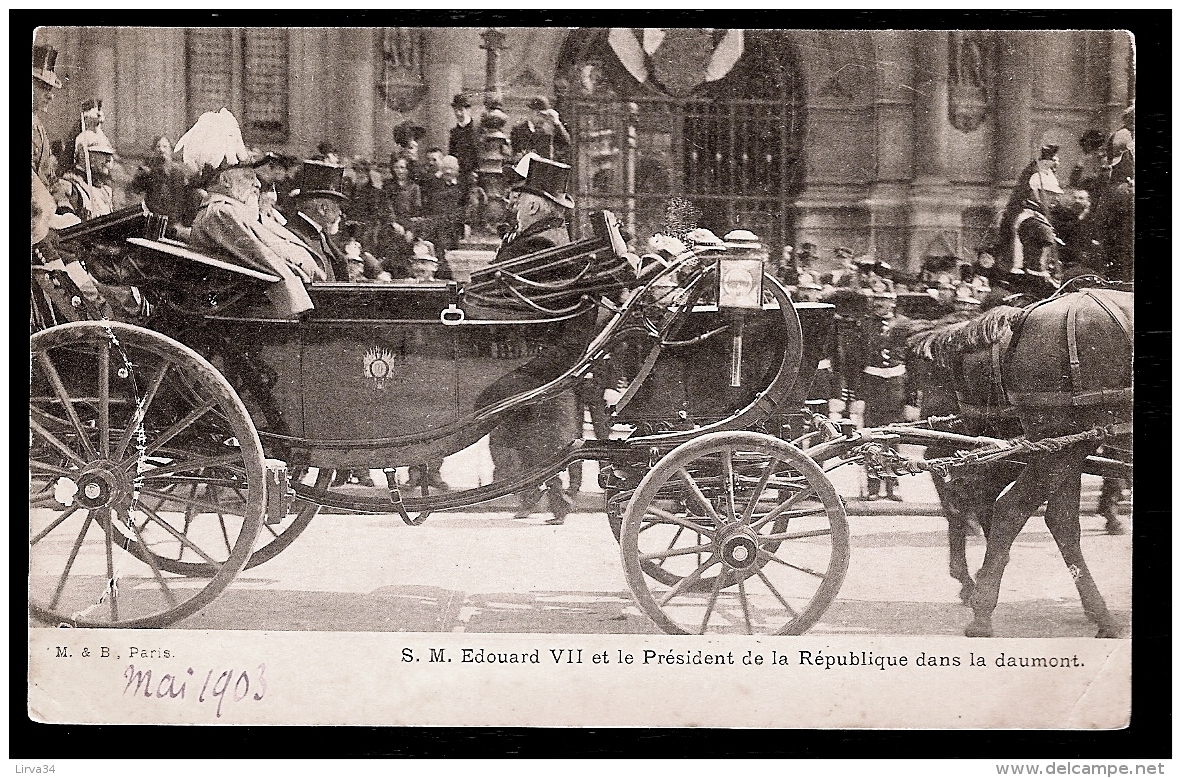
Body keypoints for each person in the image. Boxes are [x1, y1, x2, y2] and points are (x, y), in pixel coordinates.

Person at [476, 157, 582, 524]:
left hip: (529, 351)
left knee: (523, 424)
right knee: (532, 428)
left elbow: (499, 291)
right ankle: (541, 493)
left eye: (518, 199)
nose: (514, 204)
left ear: (534, 205)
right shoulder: (544, 237)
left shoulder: (535, 243)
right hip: (537, 350)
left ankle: (544, 493)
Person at [189, 166, 321, 319]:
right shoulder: (220, 212)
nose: (258, 184)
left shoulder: (237, 211)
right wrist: (303, 303)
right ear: (225, 180)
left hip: (273, 299)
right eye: (248, 177)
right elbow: (263, 258)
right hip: (250, 308)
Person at [854, 285, 909, 500]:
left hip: (896, 385)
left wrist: (912, 399)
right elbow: (856, 362)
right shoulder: (864, 324)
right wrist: (857, 397)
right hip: (872, 385)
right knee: (872, 439)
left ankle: (893, 486)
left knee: (895, 437)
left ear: (892, 301)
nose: (880, 303)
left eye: (884, 299)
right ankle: (874, 487)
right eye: (876, 298)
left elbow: (912, 363)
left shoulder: (903, 325)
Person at [284, 160, 351, 281]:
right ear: (322, 208)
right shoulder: (295, 236)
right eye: (337, 206)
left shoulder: (319, 234)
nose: (340, 213)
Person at [128, 135, 189, 227]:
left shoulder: (177, 172)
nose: (161, 150)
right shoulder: (147, 169)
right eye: (158, 146)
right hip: (152, 216)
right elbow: (135, 189)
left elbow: (181, 198)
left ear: (171, 150)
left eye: (165, 147)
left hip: (173, 218)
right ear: (154, 150)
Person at [59, 135, 117, 220]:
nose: (109, 159)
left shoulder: (106, 191)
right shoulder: (70, 187)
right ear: (83, 154)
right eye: (103, 153)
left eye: (110, 154)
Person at [510, 96, 571, 164]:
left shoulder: (550, 130)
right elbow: (514, 155)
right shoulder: (518, 130)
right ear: (531, 112)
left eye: (543, 115)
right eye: (538, 114)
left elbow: (567, 143)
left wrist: (557, 122)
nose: (541, 119)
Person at [448, 93, 479, 210]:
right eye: (455, 110)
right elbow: (452, 155)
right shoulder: (454, 132)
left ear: (468, 110)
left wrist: (475, 172)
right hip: (460, 176)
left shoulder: (477, 129)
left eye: (460, 110)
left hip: (475, 176)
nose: (458, 113)